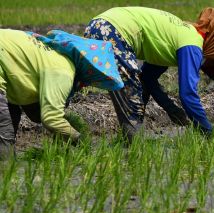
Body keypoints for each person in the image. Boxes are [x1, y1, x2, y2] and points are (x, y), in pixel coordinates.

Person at [85, 6, 214, 140]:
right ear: (213, 42)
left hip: (98, 24)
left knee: (85, 80)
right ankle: (132, 144)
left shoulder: (177, 35)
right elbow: (188, 94)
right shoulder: (193, 44)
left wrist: (171, 109)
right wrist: (207, 132)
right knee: (131, 93)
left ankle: (129, 140)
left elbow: (148, 79)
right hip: (111, 30)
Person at [0, 29, 124, 159]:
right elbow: (51, 119)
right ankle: (6, 168)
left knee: (11, 114)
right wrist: (82, 142)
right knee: (4, 131)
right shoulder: (63, 71)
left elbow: (36, 112)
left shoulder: (55, 55)